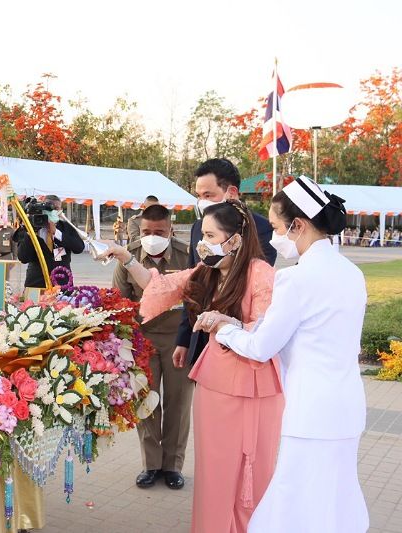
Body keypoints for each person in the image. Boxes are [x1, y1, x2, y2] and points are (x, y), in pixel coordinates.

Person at [196, 176, 368, 533]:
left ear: (298, 225)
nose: (273, 237)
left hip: (308, 412)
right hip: (347, 408)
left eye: (275, 227)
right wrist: (238, 324)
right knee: (336, 501)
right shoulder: (352, 274)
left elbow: (262, 348)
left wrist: (222, 327)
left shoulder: (296, 279)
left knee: (293, 503)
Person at [104, 200, 283, 533]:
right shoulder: (207, 271)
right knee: (214, 471)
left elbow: (267, 332)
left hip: (253, 386)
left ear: (235, 240)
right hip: (216, 385)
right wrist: (126, 257)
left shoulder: (262, 275)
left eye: (211, 236)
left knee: (250, 471)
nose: (203, 244)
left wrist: (228, 323)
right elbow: (160, 286)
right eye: (202, 236)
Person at [111, 204, 192, 490]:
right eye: (146, 231)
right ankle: (151, 465)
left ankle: (173, 466)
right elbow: (118, 302)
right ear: (139, 229)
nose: (152, 236)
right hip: (142, 340)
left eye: (159, 231)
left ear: (171, 229)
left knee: (178, 404)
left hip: (178, 340)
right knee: (146, 403)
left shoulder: (185, 254)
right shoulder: (128, 257)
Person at [175, 159, 277, 371]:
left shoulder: (262, 229)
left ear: (231, 192)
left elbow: (251, 287)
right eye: (199, 196)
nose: (202, 202)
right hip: (201, 336)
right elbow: (192, 288)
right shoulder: (197, 228)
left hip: (238, 342)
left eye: (208, 195)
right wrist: (184, 339)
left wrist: (226, 324)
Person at [17, 195, 84, 288]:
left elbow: (79, 248)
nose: (52, 212)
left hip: (62, 283)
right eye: (49, 208)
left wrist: (56, 233)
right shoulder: (30, 228)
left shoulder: (65, 227)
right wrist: (31, 232)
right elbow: (23, 258)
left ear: (60, 210)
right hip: (36, 283)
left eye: (56, 209)